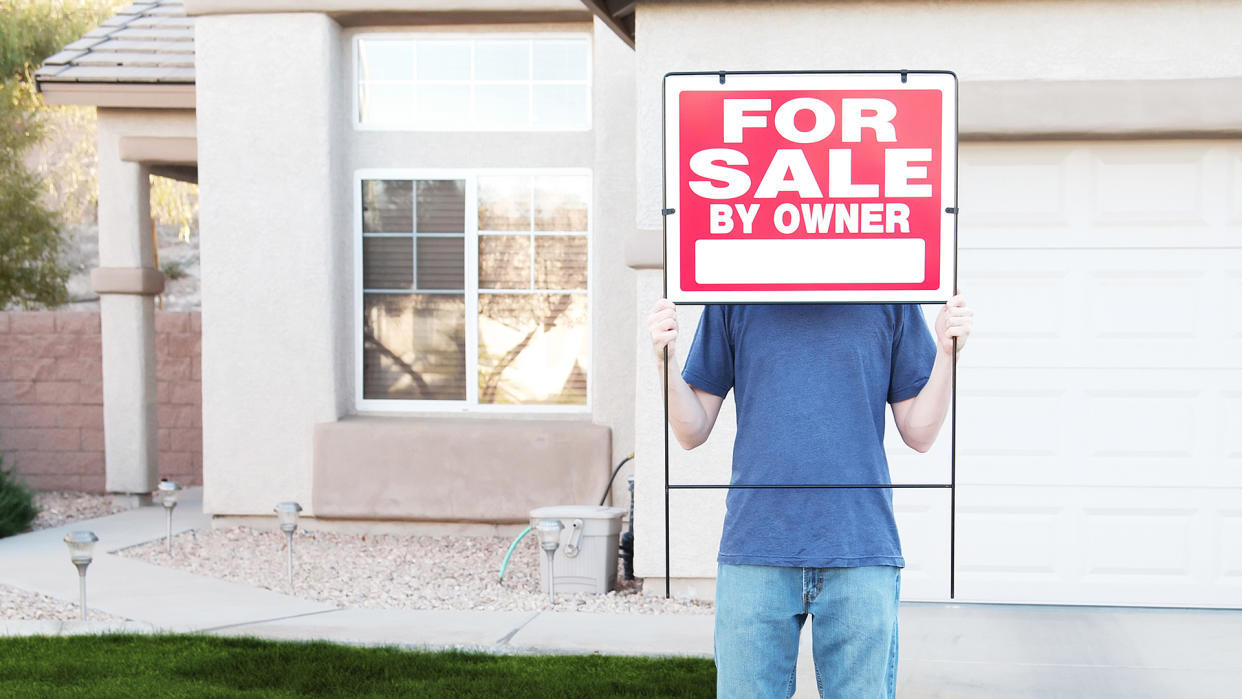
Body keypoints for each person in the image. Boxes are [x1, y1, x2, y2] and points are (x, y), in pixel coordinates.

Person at [648, 296, 973, 699]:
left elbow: (920, 433)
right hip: (755, 547)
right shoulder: (734, 294)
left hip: (860, 548)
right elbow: (691, 431)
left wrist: (946, 355)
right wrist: (665, 363)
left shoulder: (890, 292)